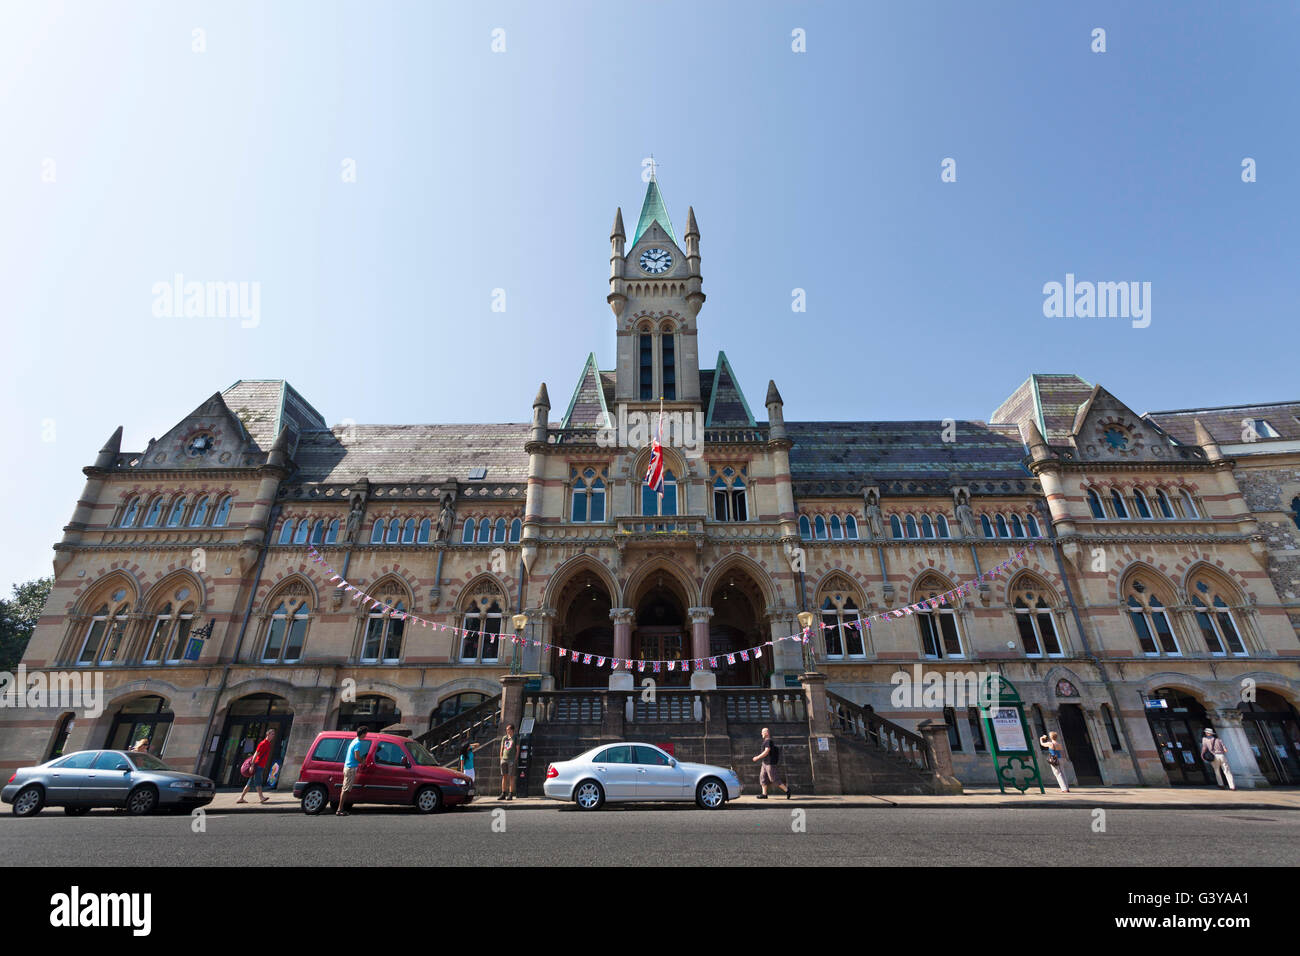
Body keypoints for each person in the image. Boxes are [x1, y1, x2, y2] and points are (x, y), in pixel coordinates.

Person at [236, 728, 276, 804]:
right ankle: (261, 797)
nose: (273, 736)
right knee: (258, 782)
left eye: (274, 734)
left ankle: (241, 798)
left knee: (249, 783)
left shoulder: (268, 744)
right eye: (272, 734)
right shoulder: (263, 743)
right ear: (267, 734)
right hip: (258, 766)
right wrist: (252, 765)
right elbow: (255, 755)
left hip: (260, 766)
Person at [337, 726, 370, 816]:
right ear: (363, 734)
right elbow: (356, 757)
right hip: (351, 768)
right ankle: (340, 809)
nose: (366, 735)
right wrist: (362, 762)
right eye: (366, 733)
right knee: (346, 789)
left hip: (347, 767)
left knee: (345, 789)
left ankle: (340, 808)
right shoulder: (358, 743)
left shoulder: (354, 740)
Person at [752, 727, 791, 799]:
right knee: (762, 778)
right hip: (765, 763)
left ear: (766, 733)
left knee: (773, 779)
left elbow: (767, 751)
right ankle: (764, 794)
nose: (761, 734)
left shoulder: (768, 741)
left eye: (762, 732)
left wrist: (757, 757)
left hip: (770, 763)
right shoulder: (766, 741)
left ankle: (787, 790)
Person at [498, 724, 517, 800]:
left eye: (508, 729)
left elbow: (517, 749)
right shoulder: (504, 738)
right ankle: (503, 793)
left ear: (512, 730)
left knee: (511, 777)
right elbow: (502, 748)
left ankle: (511, 794)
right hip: (504, 759)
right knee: (504, 776)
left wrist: (515, 758)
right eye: (506, 729)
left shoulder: (515, 738)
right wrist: (501, 758)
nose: (507, 731)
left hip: (511, 759)